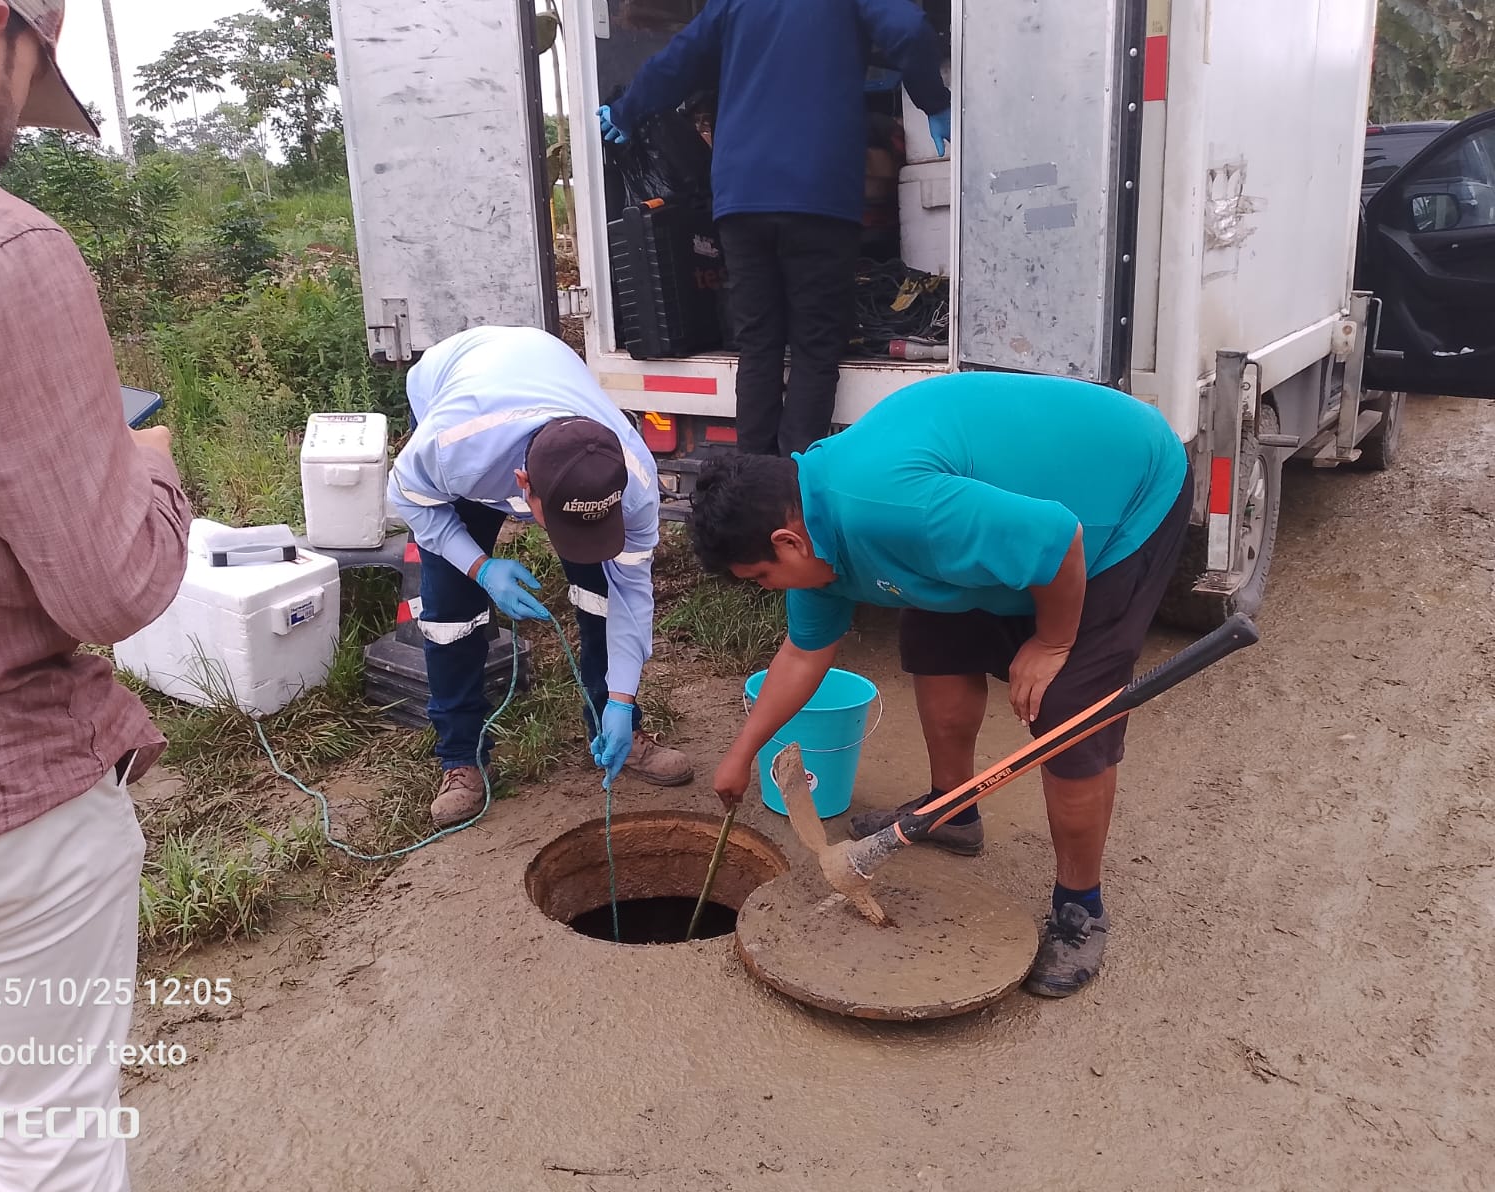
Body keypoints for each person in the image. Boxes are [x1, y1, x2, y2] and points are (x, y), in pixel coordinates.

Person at [0, 2, 193, 1192]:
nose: (18, 123)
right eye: (28, 84)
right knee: (47, 1145)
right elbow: (110, 585)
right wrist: (151, 473)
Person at [689, 372, 1191, 997]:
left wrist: (1051, 642)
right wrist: (741, 755)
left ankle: (1079, 906)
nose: (768, 589)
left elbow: (1058, 537)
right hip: (1001, 503)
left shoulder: (896, 510)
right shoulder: (815, 535)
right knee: (934, 638)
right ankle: (953, 810)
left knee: (1069, 711)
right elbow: (802, 653)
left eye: (762, 577)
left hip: (1120, 492)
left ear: (786, 541)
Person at [598, 0, 951, 457]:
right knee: (814, 347)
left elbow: (678, 59)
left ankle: (750, 481)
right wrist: (933, 100)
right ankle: (791, 485)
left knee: (758, 345)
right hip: (819, 197)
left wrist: (626, 111)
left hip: (742, 199)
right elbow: (907, 28)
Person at [387, 326, 694, 825]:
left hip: (541, 378)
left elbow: (632, 594)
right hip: (460, 395)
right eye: (568, 527)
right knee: (450, 612)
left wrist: (622, 698)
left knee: (603, 594)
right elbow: (409, 499)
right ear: (524, 487)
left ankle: (615, 727)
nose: (581, 541)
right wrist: (480, 567)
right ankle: (462, 758)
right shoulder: (450, 449)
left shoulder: (632, 478)